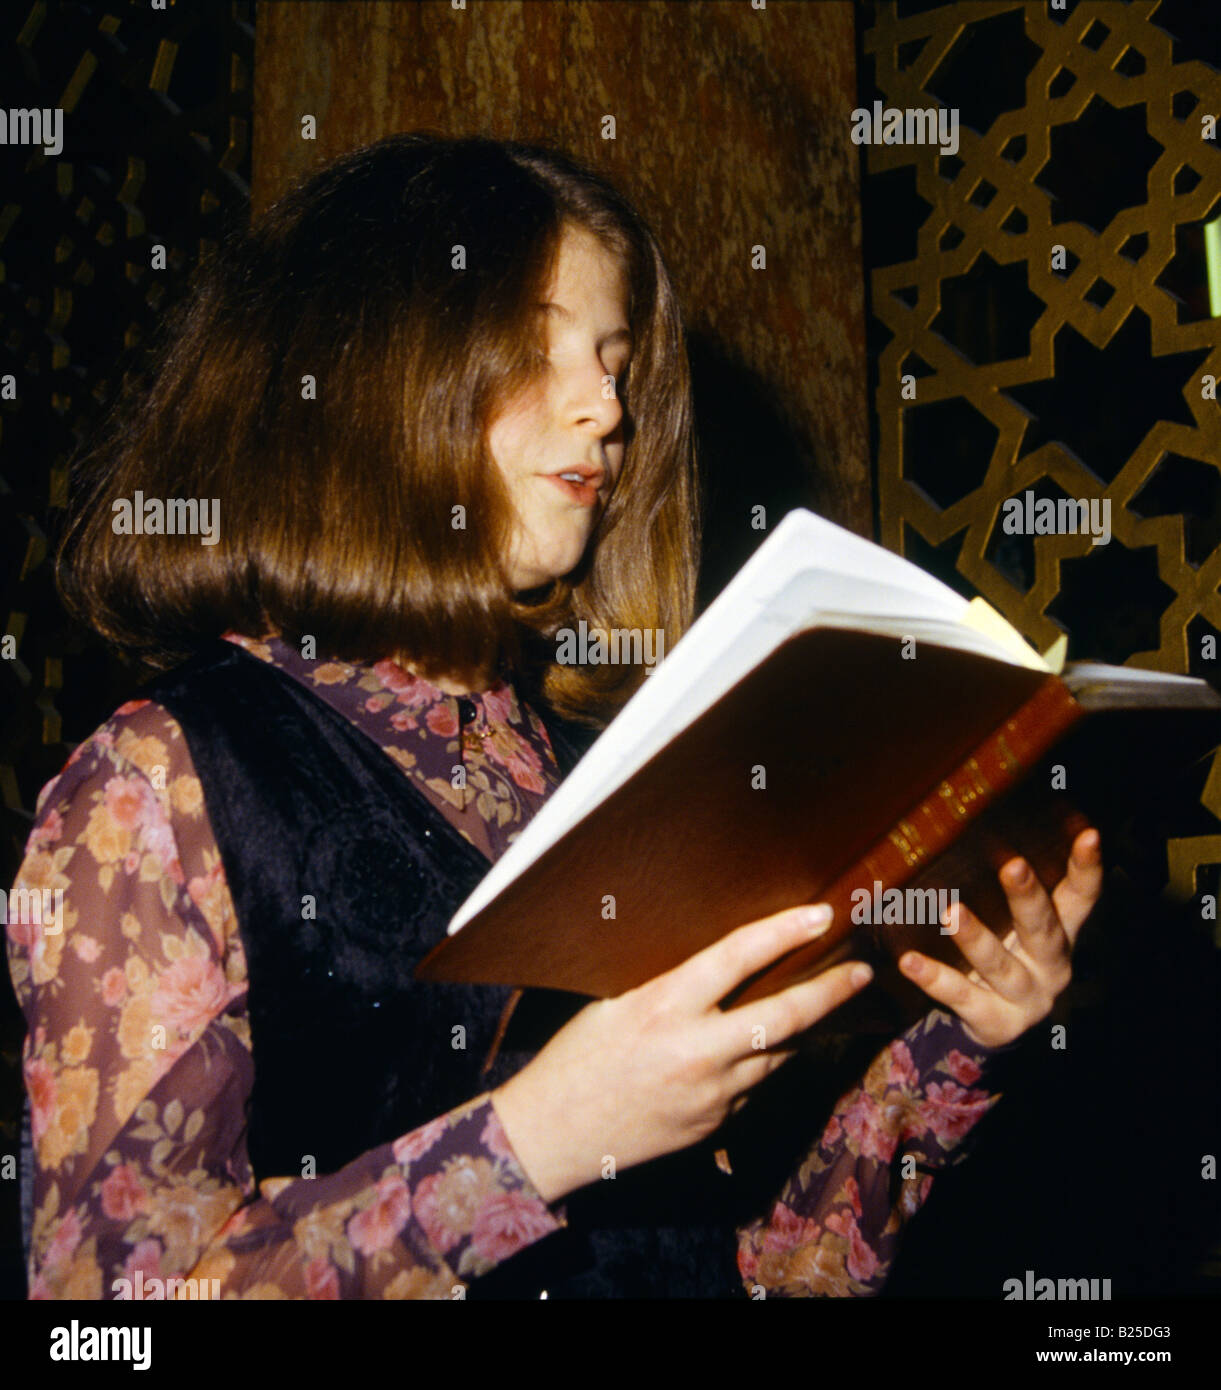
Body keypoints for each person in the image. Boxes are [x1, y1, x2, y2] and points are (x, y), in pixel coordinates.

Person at [6, 132, 1102, 1300]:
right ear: (371, 370)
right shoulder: (159, 779)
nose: (608, 407)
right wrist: (535, 1140)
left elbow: (755, 1271)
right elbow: (100, 1313)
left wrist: (962, 1039)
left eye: (617, 362)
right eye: (545, 347)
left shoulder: (621, 770)